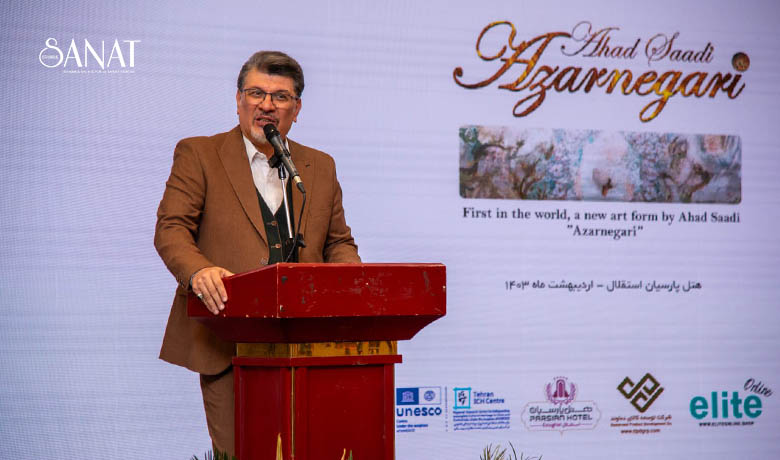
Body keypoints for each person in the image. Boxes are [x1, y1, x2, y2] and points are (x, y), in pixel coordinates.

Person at [154, 50, 360, 456]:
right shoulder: (199, 153)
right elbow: (171, 228)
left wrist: (352, 286)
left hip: (309, 345)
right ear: (238, 100)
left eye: (280, 96)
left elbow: (338, 243)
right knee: (243, 451)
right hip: (228, 340)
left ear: (296, 109)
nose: (267, 105)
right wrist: (199, 272)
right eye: (256, 93)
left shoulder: (320, 166)